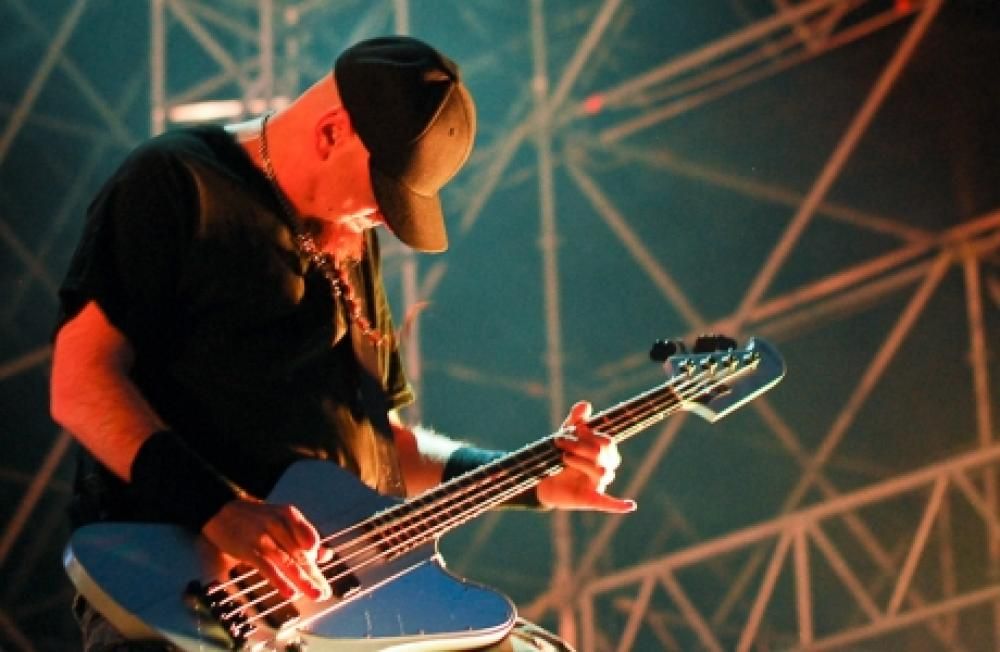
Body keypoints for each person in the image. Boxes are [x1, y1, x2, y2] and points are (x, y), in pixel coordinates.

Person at [50, 36, 635, 651]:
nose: (384, 218)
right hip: (191, 599)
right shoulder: (176, 181)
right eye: (381, 191)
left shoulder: (346, 240)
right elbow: (80, 382)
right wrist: (219, 510)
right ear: (331, 132)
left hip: (339, 609)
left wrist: (532, 478)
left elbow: (386, 447)